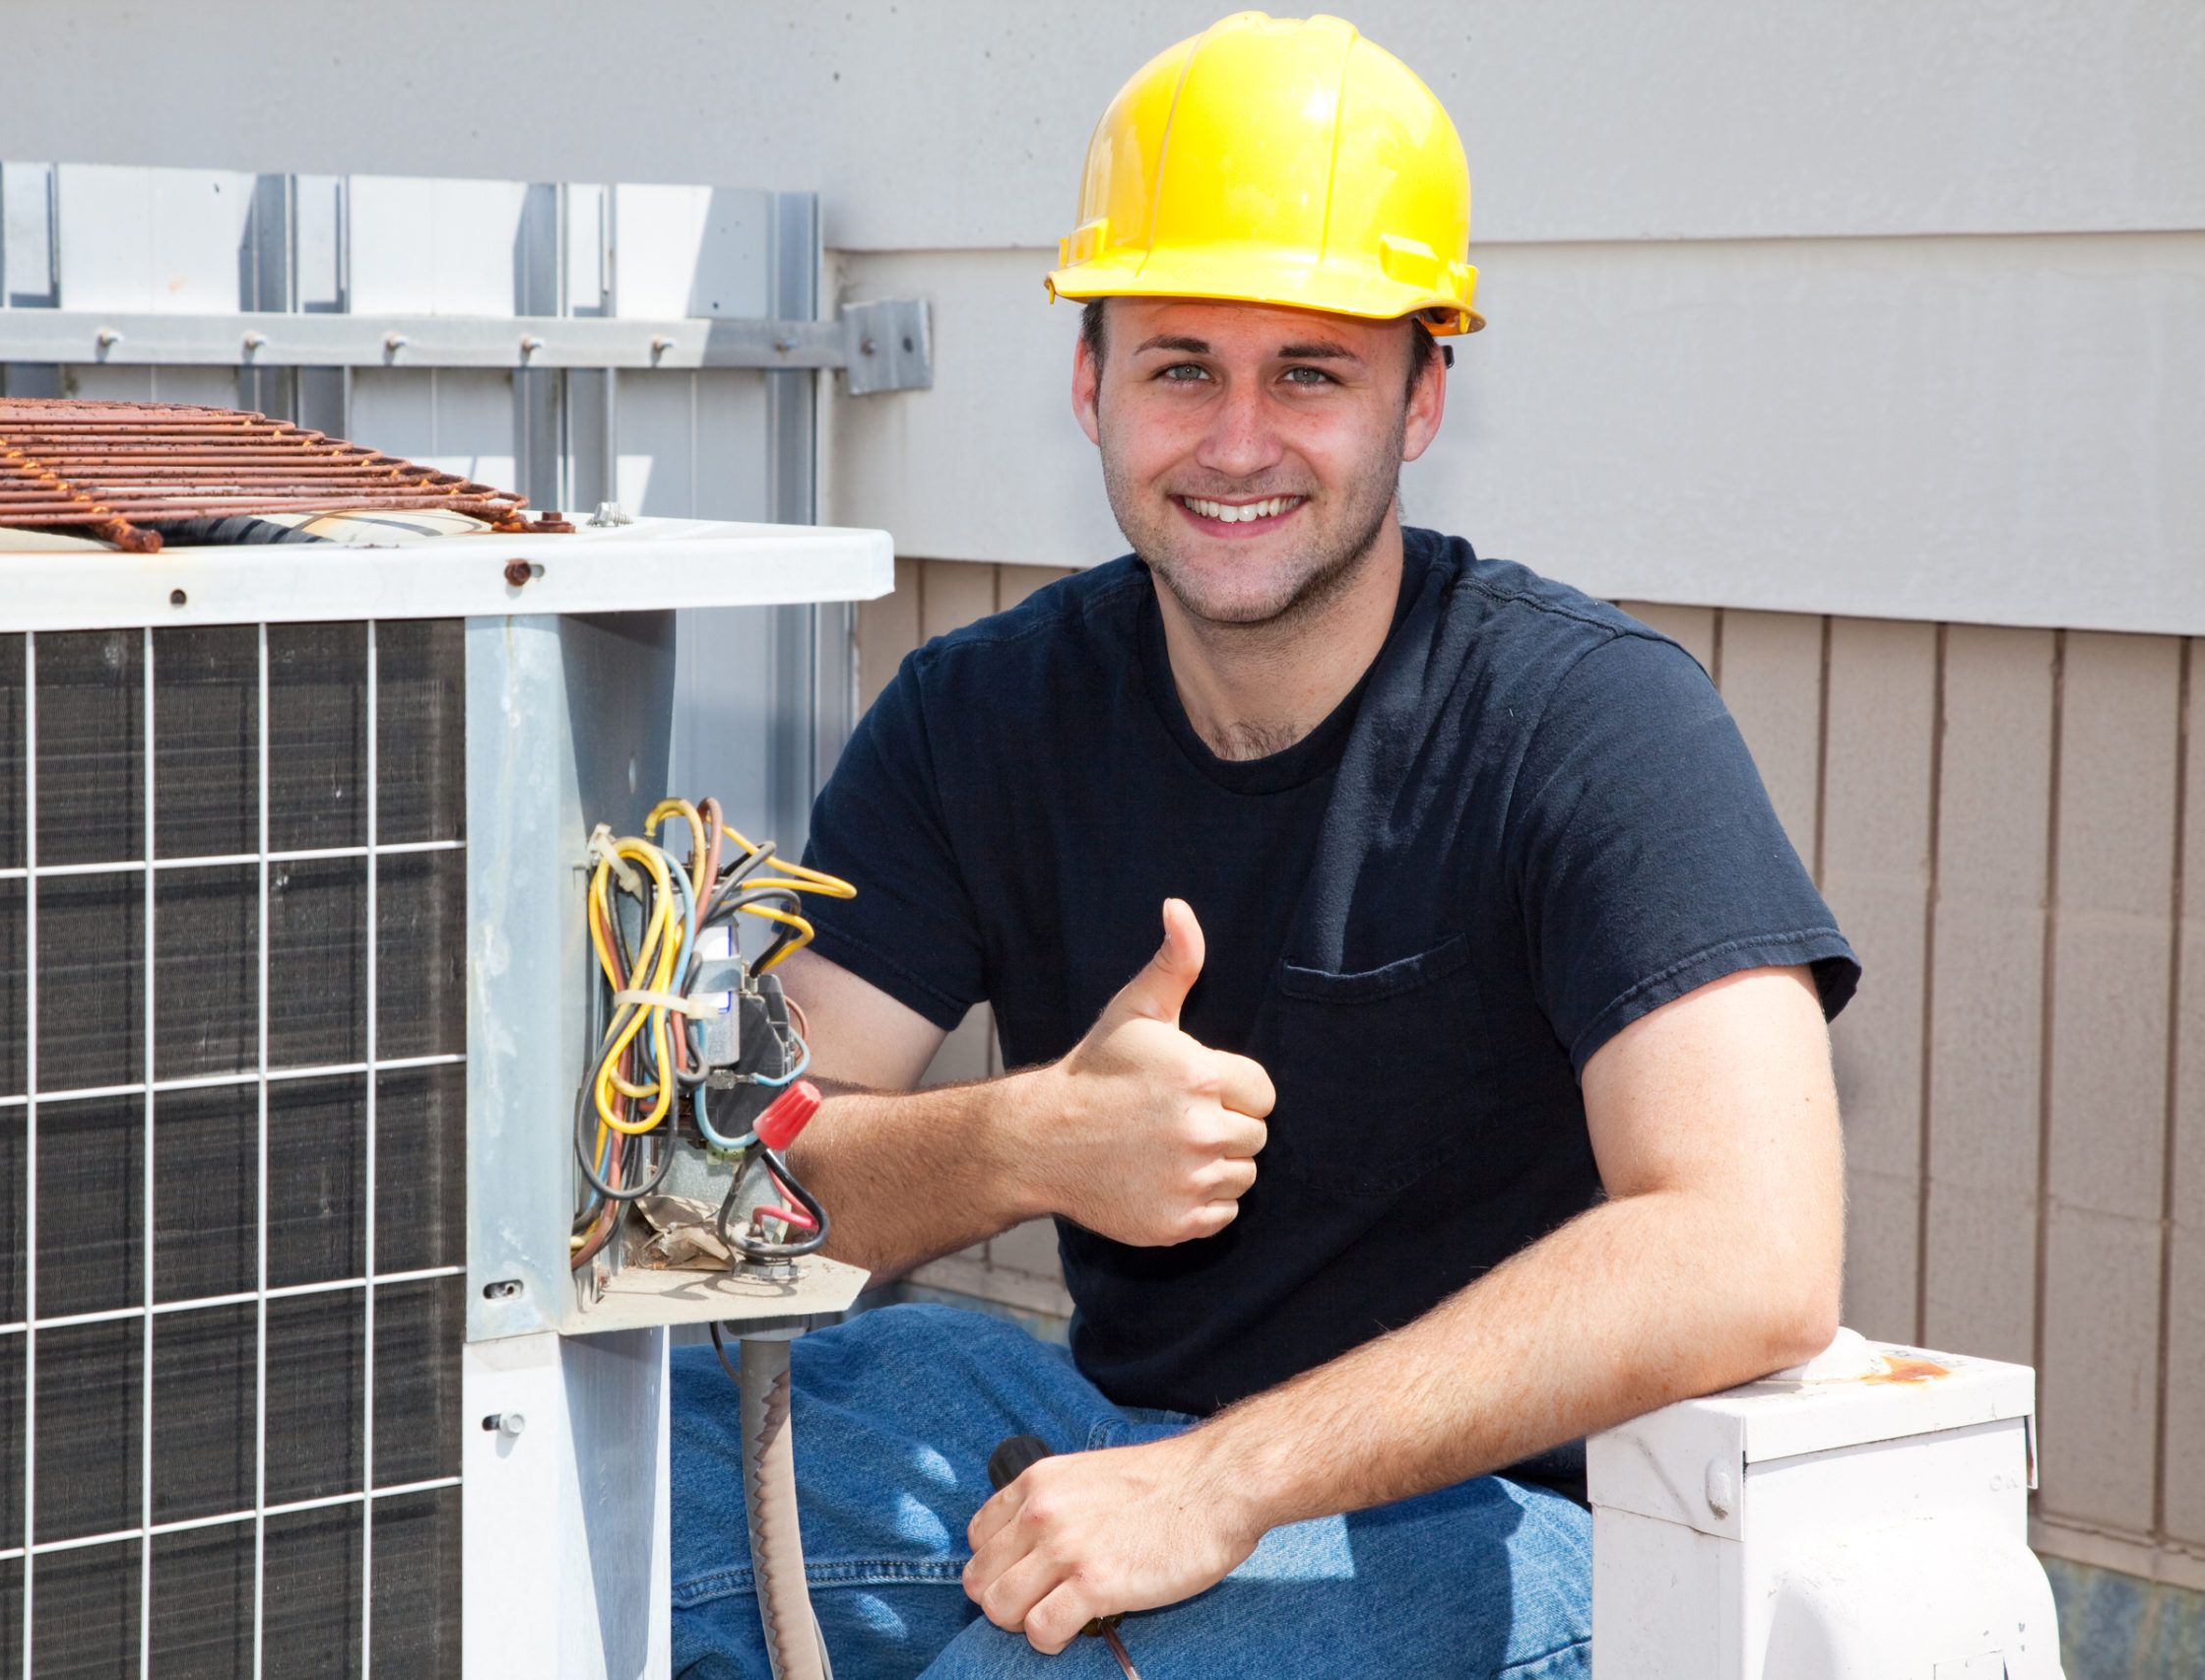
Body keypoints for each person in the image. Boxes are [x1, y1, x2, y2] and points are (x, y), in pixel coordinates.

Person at [671, 13, 1855, 1677]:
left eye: (1311, 371)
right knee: (618, 1497)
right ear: (1089, 383)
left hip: (1514, 1520)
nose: (1237, 442)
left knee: (1038, 1668)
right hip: (1110, 1433)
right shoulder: (979, 716)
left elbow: (1754, 1244)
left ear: (1423, 396)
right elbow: (736, 1175)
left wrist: (1224, 1481)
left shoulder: (1592, 724)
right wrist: (1021, 1140)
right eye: (1179, 367)